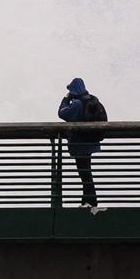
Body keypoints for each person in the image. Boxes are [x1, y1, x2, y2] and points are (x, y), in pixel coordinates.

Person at [58, 78, 106, 206]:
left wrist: (65, 99)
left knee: (85, 175)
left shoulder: (78, 104)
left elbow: (62, 113)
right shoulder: (92, 99)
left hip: (80, 145)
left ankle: (91, 203)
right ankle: (86, 202)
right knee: (86, 173)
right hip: (90, 143)